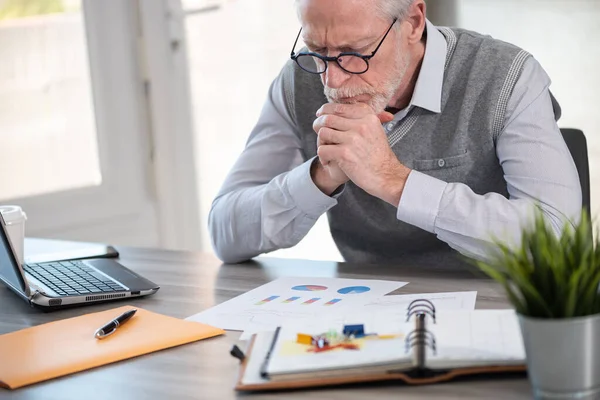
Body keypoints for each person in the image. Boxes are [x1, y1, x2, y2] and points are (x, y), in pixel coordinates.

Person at [208, 0, 582, 265]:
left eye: (355, 51)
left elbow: (556, 239)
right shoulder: (299, 82)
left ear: (414, 21)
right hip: (369, 309)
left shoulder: (506, 76)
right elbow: (225, 234)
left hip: (499, 307)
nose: (332, 79)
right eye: (317, 49)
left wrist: (394, 181)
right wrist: (321, 177)